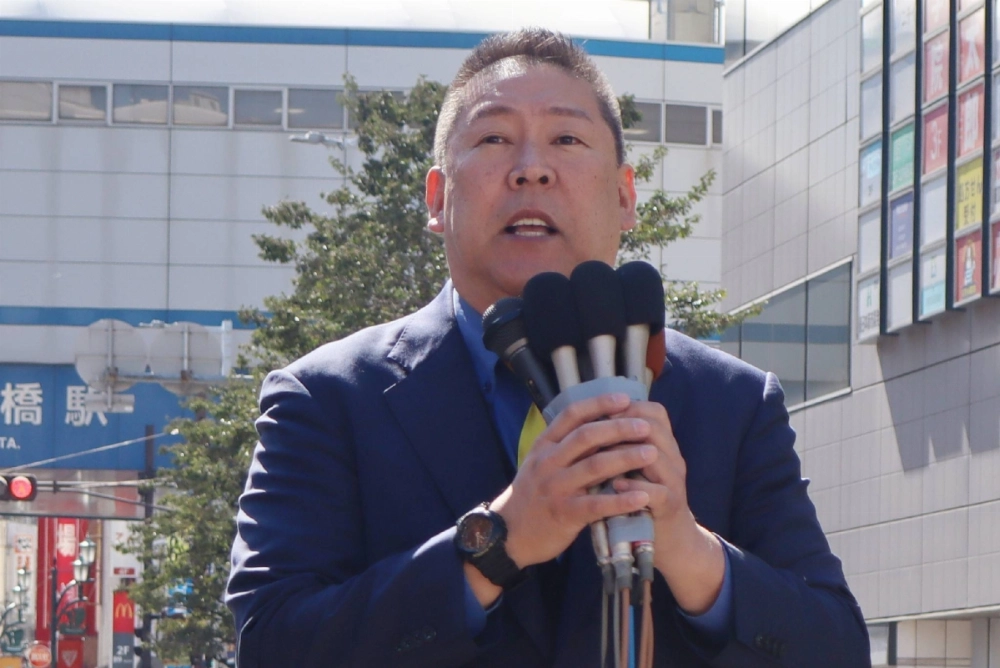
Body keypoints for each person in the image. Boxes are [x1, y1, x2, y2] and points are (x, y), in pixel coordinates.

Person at [226, 28, 869, 667]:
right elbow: (270, 643)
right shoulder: (327, 398)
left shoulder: (733, 402)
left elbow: (837, 647)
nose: (531, 167)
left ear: (625, 197)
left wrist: (687, 547)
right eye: (494, 139)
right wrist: (496, 543)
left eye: (566, 139)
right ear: (438, 199)